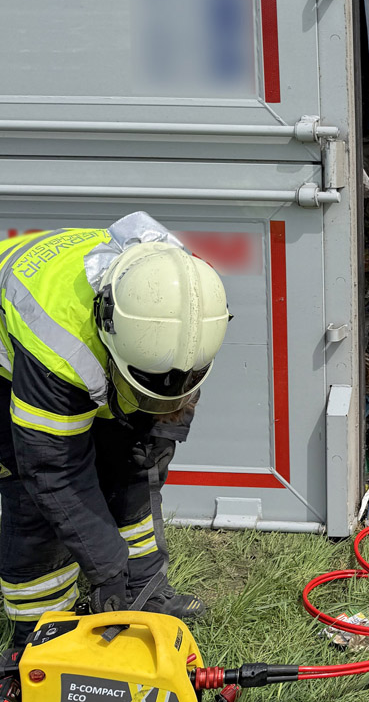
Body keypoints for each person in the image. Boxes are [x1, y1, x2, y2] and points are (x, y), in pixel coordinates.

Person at [0, 211, 230, 645]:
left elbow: (144, 452)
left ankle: (144, 593)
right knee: (35, 502)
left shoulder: (185, 303)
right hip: (12, 360)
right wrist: (106, 568)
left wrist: (153, 430)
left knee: (136, 461)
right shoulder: (59, 340)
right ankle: (41, 633)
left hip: (97, 347)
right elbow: (54, 472)